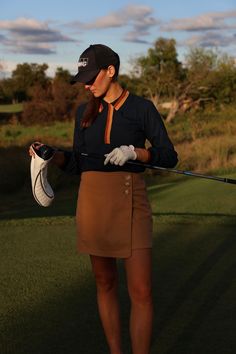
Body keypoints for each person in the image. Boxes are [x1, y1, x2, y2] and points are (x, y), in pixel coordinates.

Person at [30, 44, 178, 354]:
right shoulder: (84, 113)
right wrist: (53, 157)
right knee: (105, 283)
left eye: (90, 76)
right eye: (82, 77)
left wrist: (136, 152)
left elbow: (168, 156)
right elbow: (78, 163)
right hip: (93, 202)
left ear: (111, 71)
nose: (86, 83)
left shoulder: (142, 109)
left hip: (131, 198)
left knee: (141, 290)